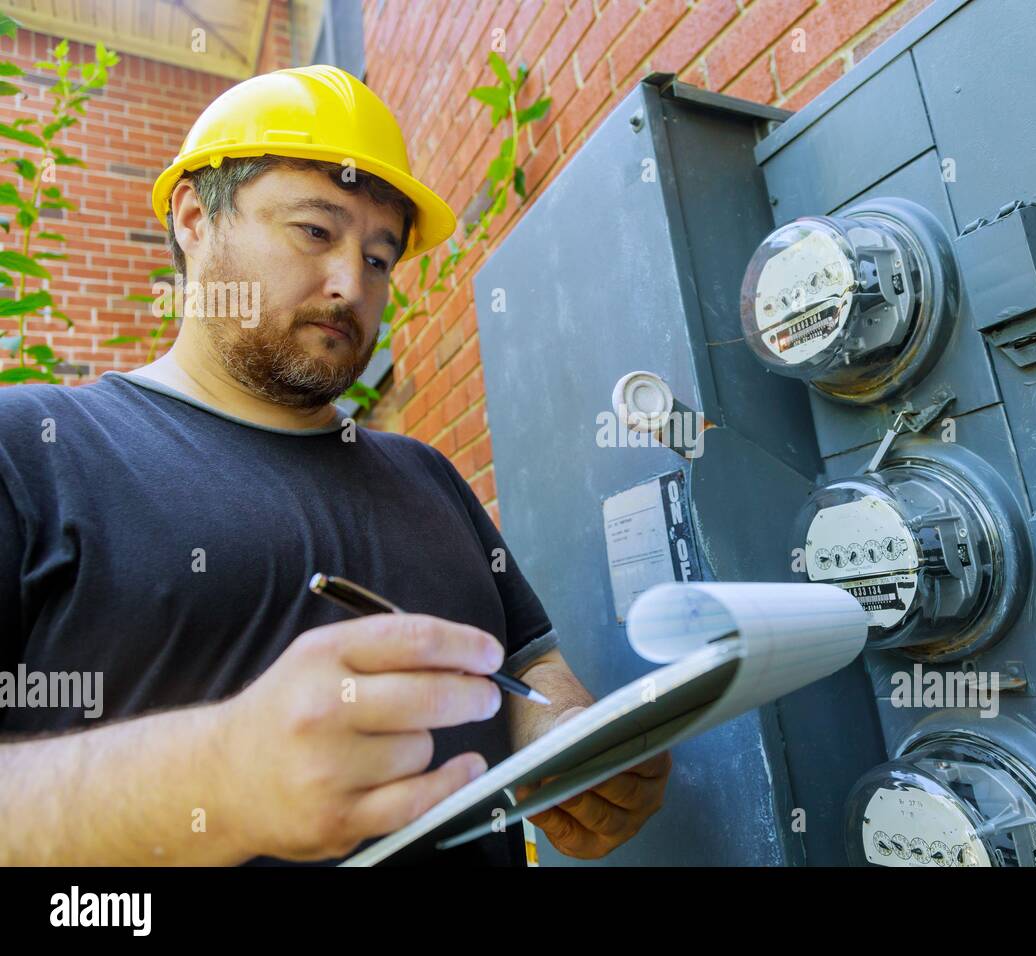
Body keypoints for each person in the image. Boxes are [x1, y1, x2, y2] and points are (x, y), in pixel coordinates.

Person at [0, 65, 669, 866]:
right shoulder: (33, 451)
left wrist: (557, 737)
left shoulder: (427, 476)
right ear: (194, 218)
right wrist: (214, 776)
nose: (352, 285)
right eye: (315, 232)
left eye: (381, 258)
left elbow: (527, 663)